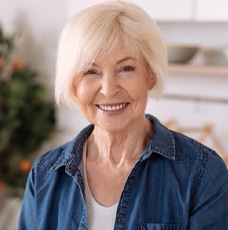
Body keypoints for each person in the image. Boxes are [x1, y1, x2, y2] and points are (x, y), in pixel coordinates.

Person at [18, 1, 228, 229]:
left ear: (151, 75)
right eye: (91, 71)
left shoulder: (203, 174)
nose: (108, 89)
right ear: (73, 85)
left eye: (126, 68)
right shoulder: (44, 175)